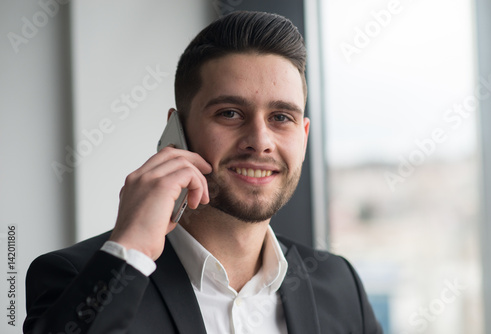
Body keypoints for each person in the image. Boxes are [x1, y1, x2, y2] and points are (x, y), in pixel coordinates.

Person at [24, 11, 382, 334]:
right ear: (176, 133)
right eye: (229, 113)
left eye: (281, 118)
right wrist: (131, 250)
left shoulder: (340, 285)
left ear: (303, 139)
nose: (260, 142)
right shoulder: (78, 277)